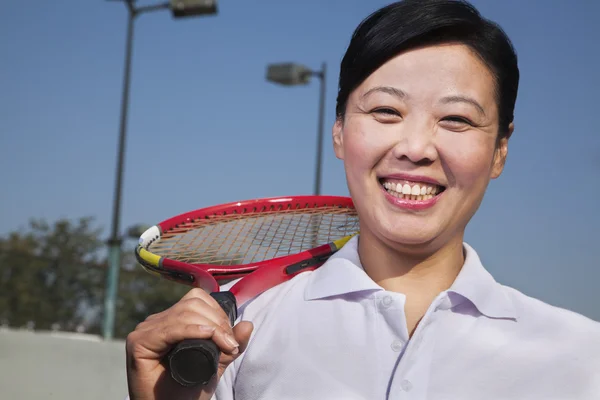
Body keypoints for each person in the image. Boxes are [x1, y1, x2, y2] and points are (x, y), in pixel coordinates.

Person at [124, 1, 600, 399]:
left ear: (500, 149)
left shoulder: (582, 358)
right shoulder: (239, 340)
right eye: (385, 111)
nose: (415, 147)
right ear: (339, 132)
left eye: (456, 119)